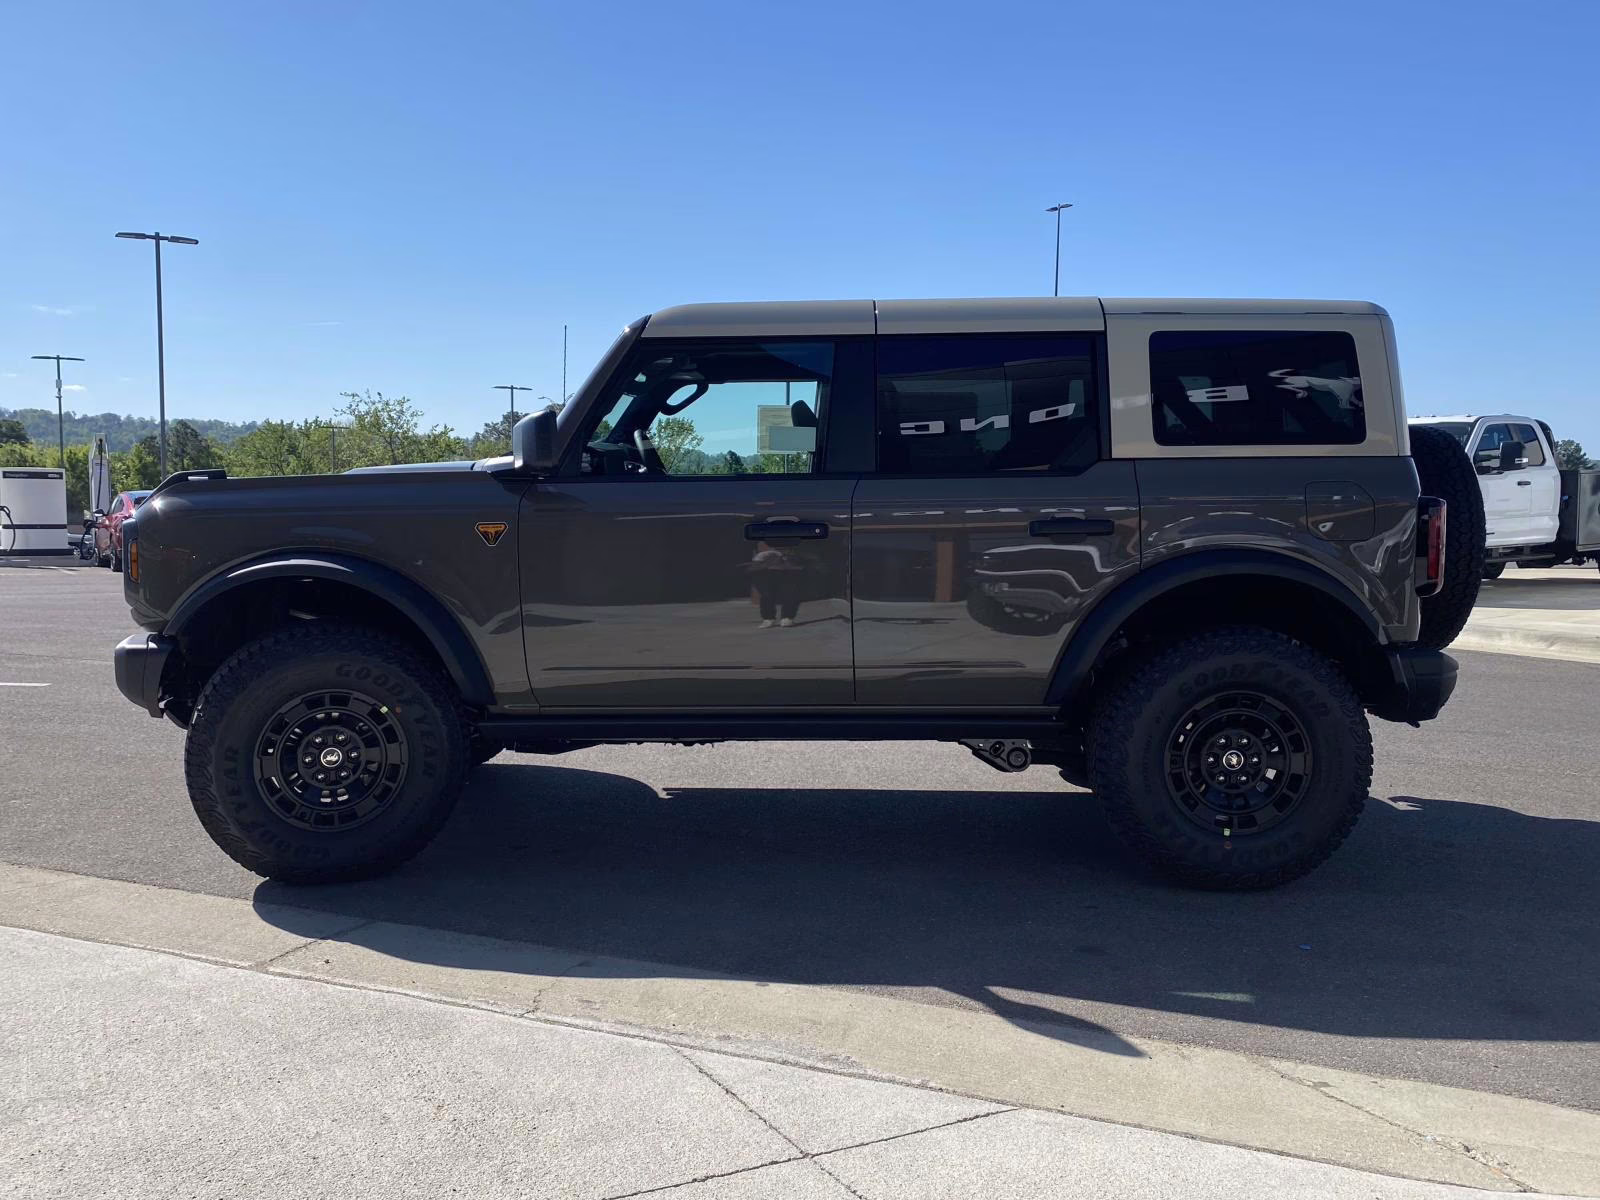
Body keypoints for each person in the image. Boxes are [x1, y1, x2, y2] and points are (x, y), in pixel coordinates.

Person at [746, 542, 805, 627]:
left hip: (788, 571)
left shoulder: (792, 555)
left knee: (791, 593)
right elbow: (754, 568)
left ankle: (787, 618)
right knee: (767, 595)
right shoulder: (765, 554)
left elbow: (797, 565)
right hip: (767, 572)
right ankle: (768, 619)